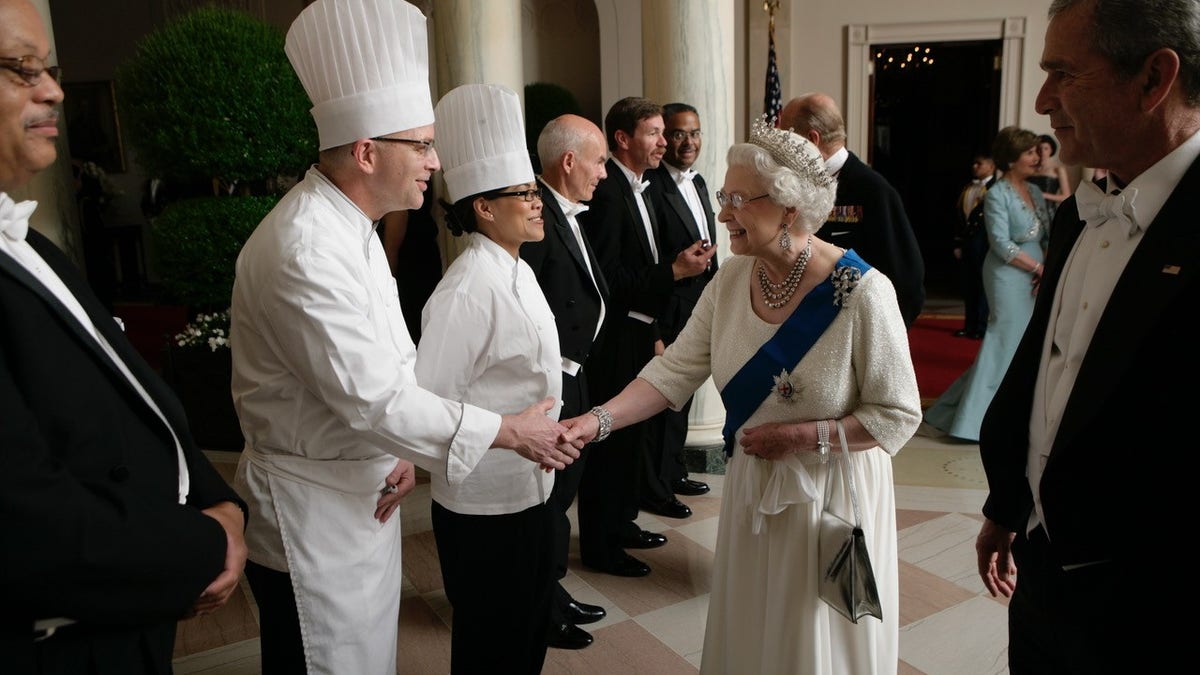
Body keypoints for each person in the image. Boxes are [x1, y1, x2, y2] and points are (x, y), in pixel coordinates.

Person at [228, 2, 577, 673]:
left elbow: (393, 366)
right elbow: (375, 398)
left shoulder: (350, 227)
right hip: (313, 514)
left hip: (362, 493)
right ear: (366, 151)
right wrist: (509, 431)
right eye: (420, 144)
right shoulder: (305, 246)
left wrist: (401, 452)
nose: (435, 160)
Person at [562, 117, 922, 674]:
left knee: (814, 638)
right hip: (757, 487)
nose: (723, 212)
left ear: (789, 208)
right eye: (723, 196)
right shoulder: (730, 280)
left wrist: (802, 435)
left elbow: (897, 413)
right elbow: (673, 371)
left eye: (736, 199)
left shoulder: (862, 292)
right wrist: (595, 422)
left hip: (831, 494)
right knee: (757, 634)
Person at [0, 0, 248, 672]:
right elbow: (27, 526)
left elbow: (136, 390)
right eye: (22, 69)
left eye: (49, 69)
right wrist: (206, 542)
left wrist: (216, 495)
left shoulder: (35, 248)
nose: (52, 89)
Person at [976, 0, 1200, 672]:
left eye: (1064, 74)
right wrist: (1009, 504)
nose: (1043, 99)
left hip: (1158, 605)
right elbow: (1049, 367)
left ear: (1153, 79)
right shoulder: (1079, 212)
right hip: (1043, 572)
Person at [413, 83, 560, 674]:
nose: (536, 202)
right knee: (489, 645)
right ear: (482, 207)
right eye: (523, 193)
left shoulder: (519, 270)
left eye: (534, 191)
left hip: (531, 486)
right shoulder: (465, 290)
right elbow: (430, 401)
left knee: (527, 631)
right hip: (483, 503)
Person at [576, 96, 716, 578]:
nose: (665, 142)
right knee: (611, 444)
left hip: (641, 329)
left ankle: (623, 523)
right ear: (623, 139)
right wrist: (674, 271)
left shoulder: (641, 186)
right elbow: (607, 277)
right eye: (655, 133)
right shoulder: (610, 191)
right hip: (614, 336)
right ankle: (601, 543)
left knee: (631, 440)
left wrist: (655, 328)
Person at [520, 113, 610, 650]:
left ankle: (553, 591)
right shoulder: (535, 217)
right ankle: (541, 606)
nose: (603, 172)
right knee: (548, 499)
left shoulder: (565, 213)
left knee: (563, 492)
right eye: (598, 161)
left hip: (575, 373)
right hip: (547, 379)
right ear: (569, 161)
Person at [923, 127, 1049, 442]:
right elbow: (1002, 245)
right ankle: (973, 424)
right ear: (1012, 158)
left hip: (1037, 273)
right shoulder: (996, 194)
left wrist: (1047, 269)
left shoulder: (1034, 192)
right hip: (1007, 274)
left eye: (1036, 152)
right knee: (1001, 341)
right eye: (1030, 152)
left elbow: (1046, 235)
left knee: (1021, 344)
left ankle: (958, 410)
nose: (1037, 157)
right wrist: (1038, 267)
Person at [779, 92, 926, 327]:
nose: (781, 148)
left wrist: (877, 337)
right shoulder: (794, 184)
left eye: (786, 137)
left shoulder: (873, 191)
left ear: (811, 139)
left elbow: (907, 282)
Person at [642, 101, 715, 516]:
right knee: (662, 401)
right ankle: (654, 488)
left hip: (698, 305)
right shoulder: (651, 186)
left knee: (683, 397)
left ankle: (672, 471)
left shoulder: (699, 182)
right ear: (664, 138)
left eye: (695, 133)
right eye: (679, 134)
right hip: (668, 306)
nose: (688, 142)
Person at [951, 152, 996, 340]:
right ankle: (969, 325)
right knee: (968, 285)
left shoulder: (996, 188)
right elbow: (960, 218)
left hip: (985, 242)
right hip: (969, 241)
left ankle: (981, 326)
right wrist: (958, 242)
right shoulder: (969, 187)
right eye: (974, 163)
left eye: (980, 164)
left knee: (982, 285)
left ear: (991, 166)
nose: (975, 167)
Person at [1029, 133, 1072, 221]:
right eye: (1039, 149)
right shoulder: (1029, 168)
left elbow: (1066, 196)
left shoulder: (1058, 169)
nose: (1042, 152)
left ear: (1051, 150)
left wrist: (1044, 195)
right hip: (1029, 212)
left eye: (1046, 148)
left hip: (1049, 214)